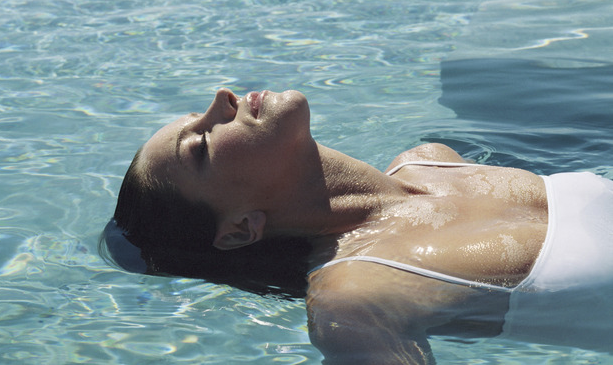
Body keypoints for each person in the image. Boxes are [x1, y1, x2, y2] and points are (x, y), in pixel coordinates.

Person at [102, 88, 613, 364]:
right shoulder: (355, 293)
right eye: (200, 145)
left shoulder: (431, 160)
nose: (223, 99)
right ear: (239, 229)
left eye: (198, 111)